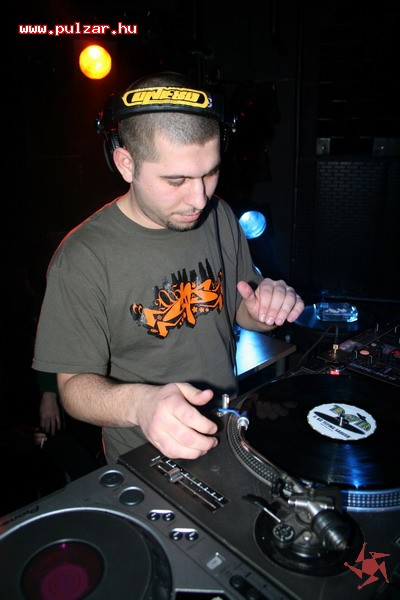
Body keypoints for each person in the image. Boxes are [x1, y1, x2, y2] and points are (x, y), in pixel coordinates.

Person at [32, 71, 304, 465]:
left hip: (227, 427)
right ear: (126, 164)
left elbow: (240, 309)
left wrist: (266, 309)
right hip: (146, 454)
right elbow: (73, 386)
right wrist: (141, 404)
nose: (199, 198)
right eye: (176, 180)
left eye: (210, 172)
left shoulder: (219, 215)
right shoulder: (82, 256)